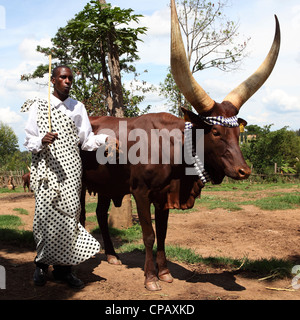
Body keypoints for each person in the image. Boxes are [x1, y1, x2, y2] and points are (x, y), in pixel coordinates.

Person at [21, 65, 118, 289]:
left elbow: (86, 141)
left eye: (70, 78)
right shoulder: (40, 106)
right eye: (63, 77)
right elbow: (28, 140)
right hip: (47, 169)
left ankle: (64, 271)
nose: (67, 81)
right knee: (44, 217)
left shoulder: (78, 107)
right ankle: (41, 266)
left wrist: (106, 139)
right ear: (53, 80)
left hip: (72, 170)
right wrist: (41, 140)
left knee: (70, 218)